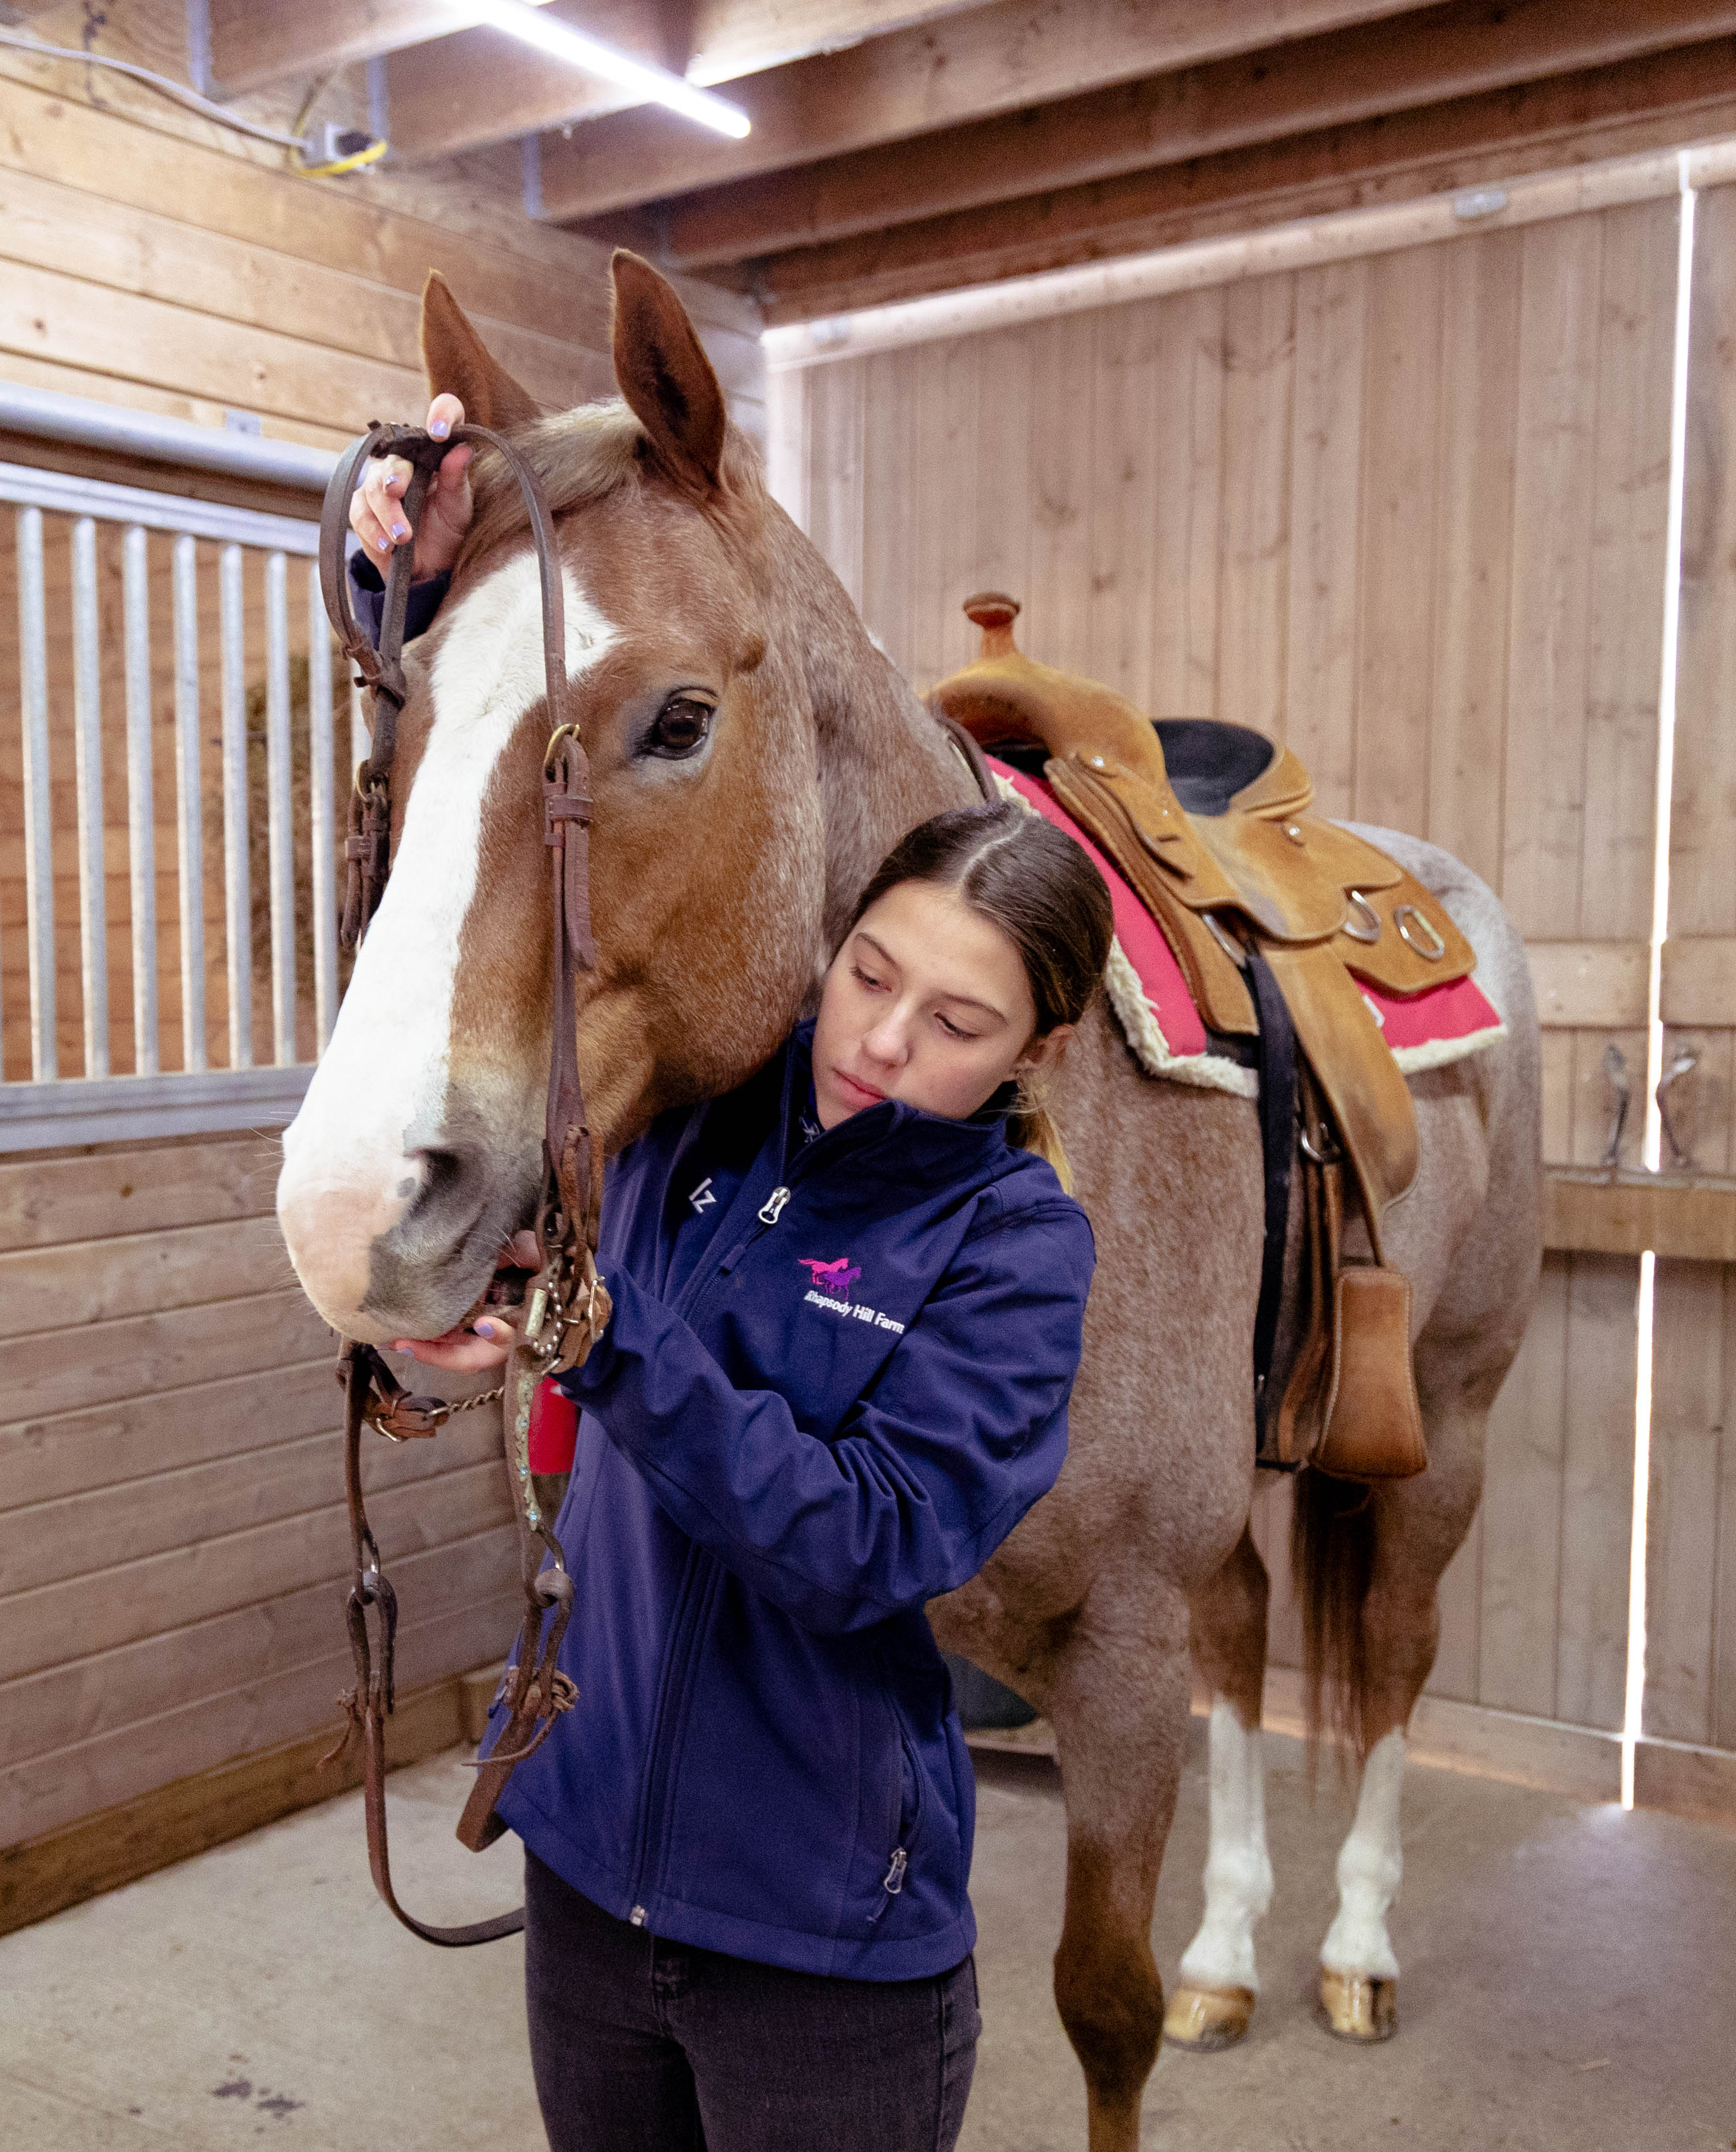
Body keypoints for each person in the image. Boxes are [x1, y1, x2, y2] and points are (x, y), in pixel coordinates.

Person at [347, 401, 1112, 2152]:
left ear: (1032, 1050)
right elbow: (513, 738)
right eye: (868, 978)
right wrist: (403, 568)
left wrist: (609, 1343)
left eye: (958, 1021)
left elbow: (862, 1540)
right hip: (589, 1875)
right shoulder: (704, 1116)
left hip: (823, 1943)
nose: (883, 1041)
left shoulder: (1011, 1251)